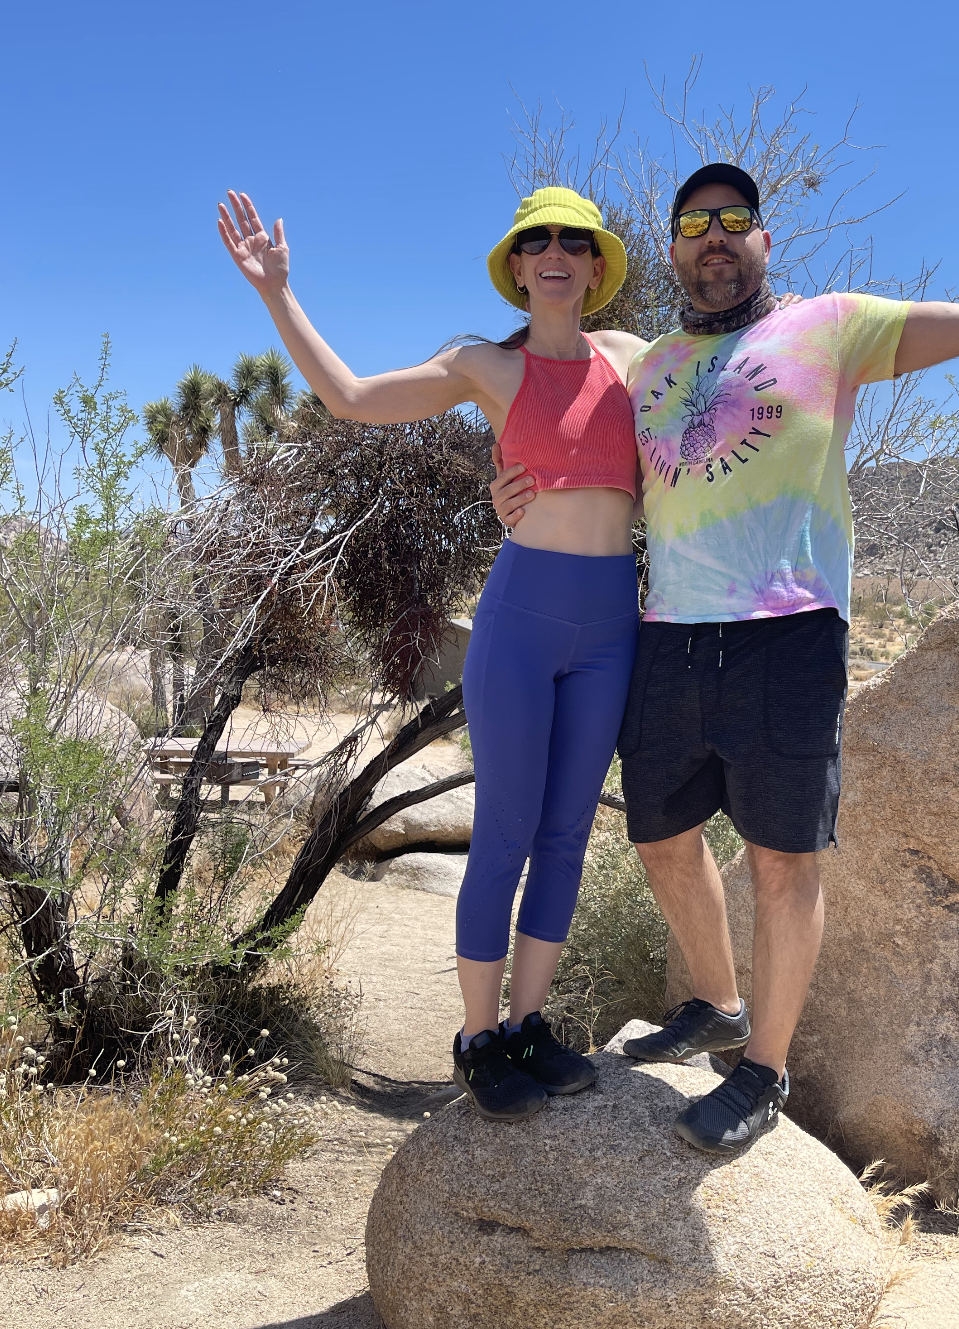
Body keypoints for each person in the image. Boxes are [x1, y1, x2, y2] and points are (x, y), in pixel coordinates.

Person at [492, 162, 959, 1154]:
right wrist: (515, 491)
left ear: (762, 241)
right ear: (670, 249)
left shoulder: (830, 325)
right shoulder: (646, 363)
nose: (715, 235)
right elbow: (551, 393)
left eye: (734, 219)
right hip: (667, 632)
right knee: (661, 839)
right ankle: (717, 999)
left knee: (784, 860)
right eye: (695, 222)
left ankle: (764, 1070)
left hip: (789, 629)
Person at [218, 185, 649, 1122]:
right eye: (537, 240)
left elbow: (716, 403)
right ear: (517, 264)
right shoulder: (483, 364)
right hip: (524, 614)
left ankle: (530, 1025)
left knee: (568, 835)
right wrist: (277, 293)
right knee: (503, 829)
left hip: (614, 621)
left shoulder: (631, 360)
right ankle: (476, 1036)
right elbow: (352, 397)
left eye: (575, 240)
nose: (556, 252)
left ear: (597, 264)